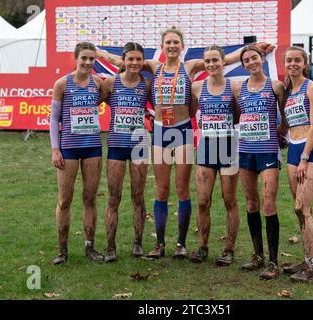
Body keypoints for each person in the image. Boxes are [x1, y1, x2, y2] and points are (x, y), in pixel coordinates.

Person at [96, 28, 274, 258]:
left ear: (181, 46)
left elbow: (225, 59)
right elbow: (119, 59)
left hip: (182, 132)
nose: (171, 46)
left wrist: (254, 48)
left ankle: (181, 244)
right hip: (160, 132)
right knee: (161, 191)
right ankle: (159, 244)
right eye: (168, 42)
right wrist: (98, 52)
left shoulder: (189, 66)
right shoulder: (151, 65)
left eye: (175, 43)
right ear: (162, 46)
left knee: (182, 190)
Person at [234, 44, 288, 280]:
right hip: (246, 151)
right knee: (251, 202)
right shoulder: (240, 89)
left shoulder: (276, 86)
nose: (251, 62)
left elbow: (286, 116)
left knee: (268, 203)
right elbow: (238, 116)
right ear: (243, 64)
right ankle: (258, 256)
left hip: (267, 151)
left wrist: (280, 132)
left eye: (254, 57)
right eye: (246, 60)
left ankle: (274, 262)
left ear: (262, 59)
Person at [49, 42, 104, 264]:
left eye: (92, 59)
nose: (88, 63)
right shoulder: (62, 84)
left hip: (92, 147)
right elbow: (54, 119)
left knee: (90, 198)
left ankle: (90, 247)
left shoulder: (98, 83)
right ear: (76, 59)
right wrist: (55, 149)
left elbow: (99, 102)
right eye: (84, 58)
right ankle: (62, 251)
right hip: (69, 148)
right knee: (64, 200)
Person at [187, 45, 239, 266]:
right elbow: (189, 112)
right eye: (207, 61)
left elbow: (239, 114)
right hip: (206, 148)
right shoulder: (197, 87)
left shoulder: (234, 87)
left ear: (223, 61)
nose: (211, 65)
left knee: (229, 200)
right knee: (202, 200)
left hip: (228, 147)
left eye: (215, 60)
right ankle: (203, 246)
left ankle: (229, 249)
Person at [100, 42, 151, 262]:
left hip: (139, 146)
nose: (134, 63)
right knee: (114, 197)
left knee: (138, 197)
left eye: (139, 59)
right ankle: (110, 247)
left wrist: (149, 116)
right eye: (130, 59)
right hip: (117, 147)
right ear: (124, 60)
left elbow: (156, 108)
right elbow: (93, 102)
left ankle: (138, 243)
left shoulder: (146, 85)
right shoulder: (111, 82)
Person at [281, 46, 313, 282]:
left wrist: (304, 158)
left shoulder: (312, 88)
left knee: (302, 208)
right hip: (293, 149)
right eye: (289, 60)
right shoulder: (288, 90)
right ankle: (305, 260)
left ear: (304, 64)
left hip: (311, 151)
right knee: (298, 210)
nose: (293, 64)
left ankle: (311, 267)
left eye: (297, 60)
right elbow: (288, 123)